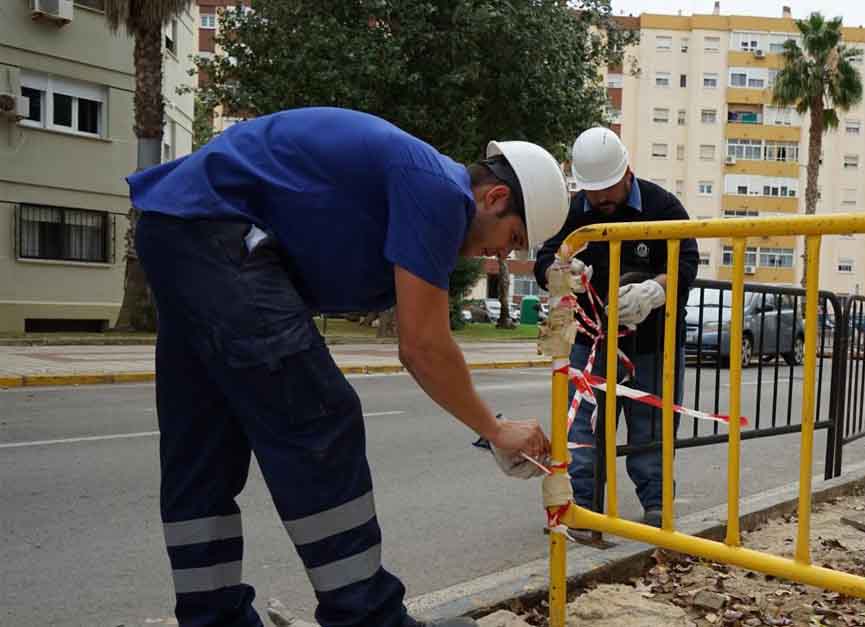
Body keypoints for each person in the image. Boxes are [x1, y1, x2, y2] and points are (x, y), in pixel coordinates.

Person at [126, 107, 566, 627]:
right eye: (511, 238)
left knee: (203, 445)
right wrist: (494, 429)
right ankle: (367, 618)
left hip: (177, 229)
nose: (496, 256)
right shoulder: (440, 192)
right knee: (320, 419)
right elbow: (423, 345)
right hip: (216, 234)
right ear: (494, 197)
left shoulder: (415, 182)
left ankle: (212, 618)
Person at [534, 127, 699, 529]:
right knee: (582, 429)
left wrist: (654, 292)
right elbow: (543, 259)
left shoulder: (664, 206)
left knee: (651, 430)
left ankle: (657, 504)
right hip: (588, 342)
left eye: (609, 189)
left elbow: (687, 263)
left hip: (652, 343)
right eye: (594, 192)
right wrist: (560, 272)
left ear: (627, 172)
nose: (602, 200)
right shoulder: (572, 212)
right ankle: (582, 506)